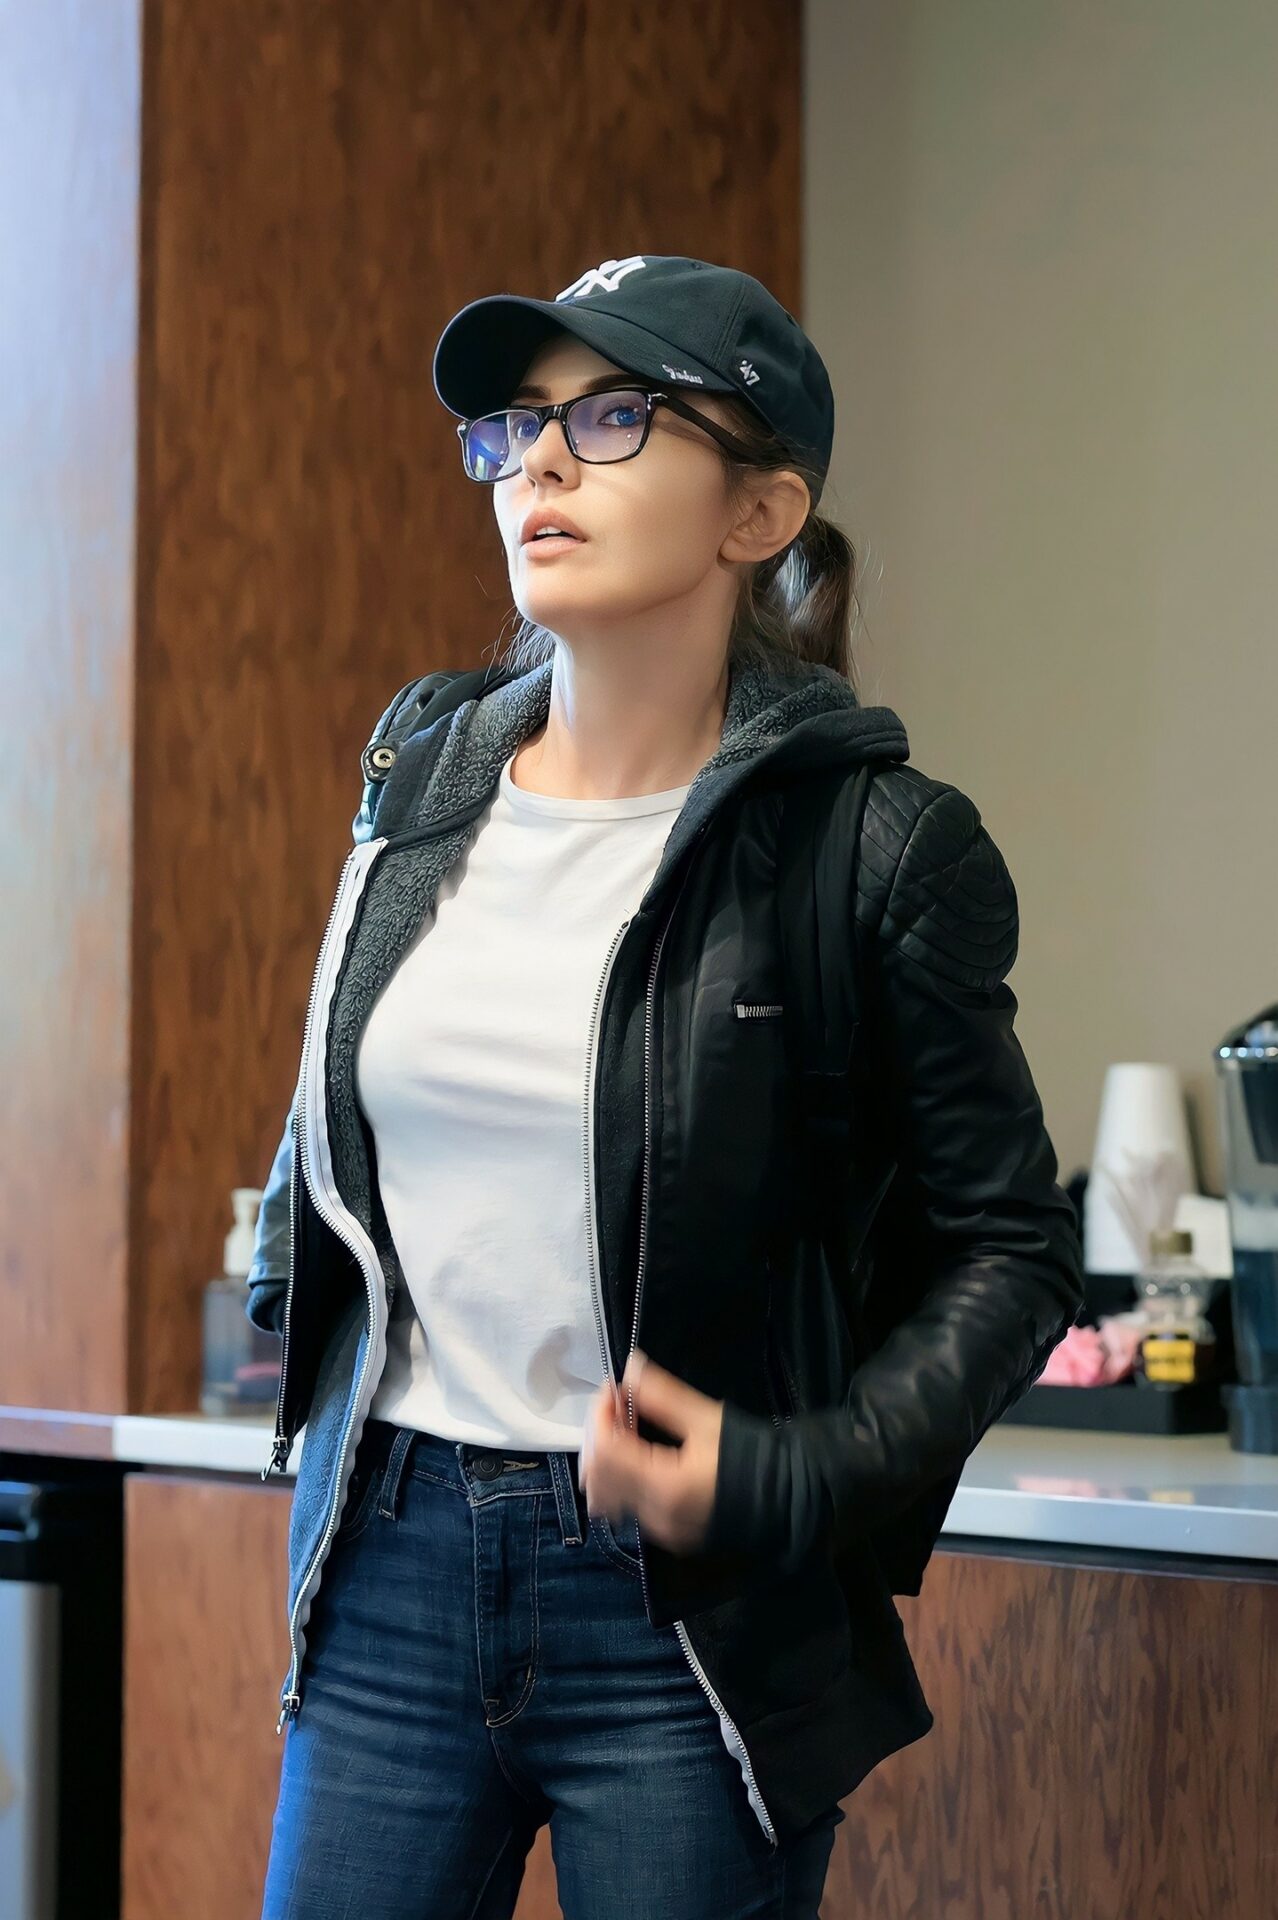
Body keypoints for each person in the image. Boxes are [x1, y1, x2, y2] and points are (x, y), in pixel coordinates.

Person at [249, 254, 1083, 1918]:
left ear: (758, 514)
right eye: (519, 424)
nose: (539, 463)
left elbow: (1012, 1252)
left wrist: (796, 1470)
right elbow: (333, 1129)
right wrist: (300, 1295)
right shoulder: (421, 776)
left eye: (615, 418)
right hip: (387, 1556)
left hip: (682, 1613)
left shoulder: (876, 845)